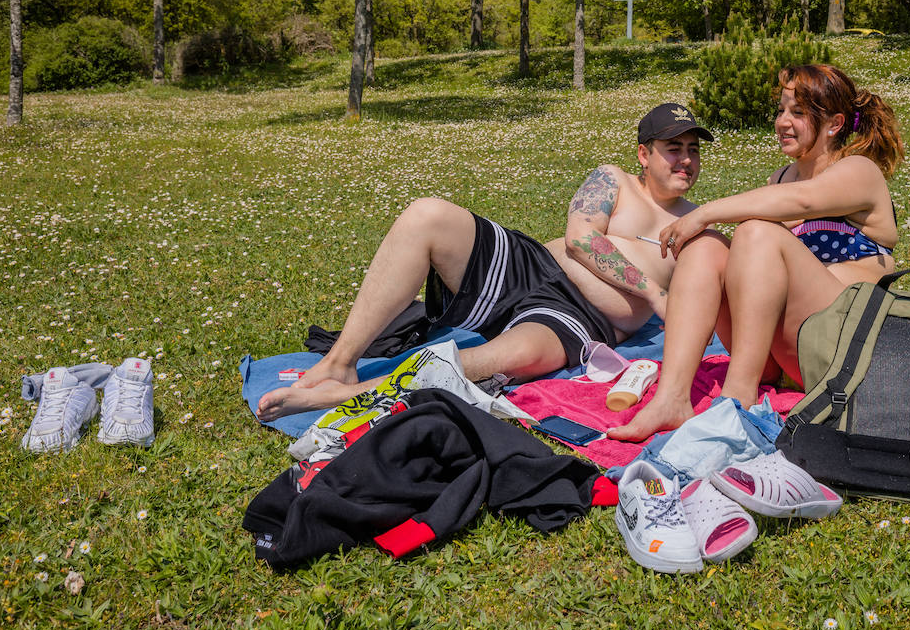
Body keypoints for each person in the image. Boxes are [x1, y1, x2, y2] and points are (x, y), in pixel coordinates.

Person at [256, 103, 714, 421]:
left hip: (577, 319)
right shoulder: (612, 179)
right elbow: (579, 240)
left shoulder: (697, 224)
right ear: (644, 153)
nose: (686, 160)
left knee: (511, 356)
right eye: (674, 148)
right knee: (427, 215)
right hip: (530, 265)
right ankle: (340, 362)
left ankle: (351, 395)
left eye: (693, 150)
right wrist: (655, 293)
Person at [608, 64, 902, 441]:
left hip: (843, 353)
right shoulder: (780, 178)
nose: (783, 122)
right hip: (782, 355)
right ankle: (672, 399)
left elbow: (802, 201)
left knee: (755, 232)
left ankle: (738, 398)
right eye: (781, 110)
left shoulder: (859, 170)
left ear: (834, 123)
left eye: (798, 113)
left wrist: (702, 213)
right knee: (705, 247)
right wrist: (705, 227)